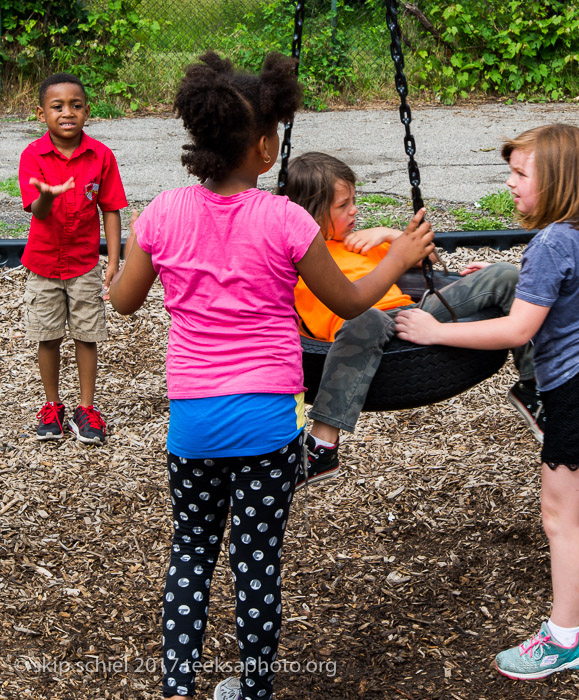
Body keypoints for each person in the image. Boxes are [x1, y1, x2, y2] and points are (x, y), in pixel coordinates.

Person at [109, 53, 433, 700]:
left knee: (192, 556)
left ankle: (178, 688)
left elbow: (121, 301)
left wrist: (123, 256)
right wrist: (398, 256)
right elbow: (347, 302)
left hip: (193, 425)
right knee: (256, 564)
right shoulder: (284, 218)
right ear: (262, 148)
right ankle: (254, 689)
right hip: (265, 426)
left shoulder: (164, 213)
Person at [395, 123, 579, 679]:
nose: (510, 183)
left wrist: (435, 333)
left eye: (520, 174)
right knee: (578, 492)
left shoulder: (552, 242)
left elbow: (516, 332)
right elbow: (557, 291)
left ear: (556, 180)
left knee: (559, 515)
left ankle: (566, 639)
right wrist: (503, 278)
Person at [285, 151, 541, 485]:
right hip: (356, 333)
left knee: (506, 275)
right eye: (343, 205)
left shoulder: (357, 243)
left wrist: (392, 236)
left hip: (412, 319)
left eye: (354, 201)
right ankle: (321, 444)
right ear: (312, 214)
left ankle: (534, 387)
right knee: (369, 317)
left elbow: (430, 258)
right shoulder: (294, 258)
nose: (354, 211)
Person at [18, 72, 127, 444]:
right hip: (43, 265)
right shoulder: (32, 156)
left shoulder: (101, 156)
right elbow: (39, 211)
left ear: (87, 111)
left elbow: (111, 210)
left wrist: (112, 261)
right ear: (41, 113)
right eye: (57, 106)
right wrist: (47, 193)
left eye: (75, 105)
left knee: (86, 335)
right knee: (47, 337)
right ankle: (52, 406)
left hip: (84, 265)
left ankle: (86, 408)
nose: (68, 113)